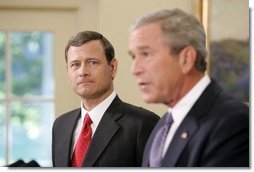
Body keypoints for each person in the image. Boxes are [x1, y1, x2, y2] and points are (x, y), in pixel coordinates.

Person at [128, 9, 249, 167]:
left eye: (146, 54)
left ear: (186, 59)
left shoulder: (233, 123)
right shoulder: (162, 126)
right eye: (133, 56)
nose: (135, 69)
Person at [52, 31, 159, 167]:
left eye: (92, 62)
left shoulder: (143, 124)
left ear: (112, 68)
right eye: (75, 65)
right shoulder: (60, 126)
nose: (83, 72)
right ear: (68, 72)